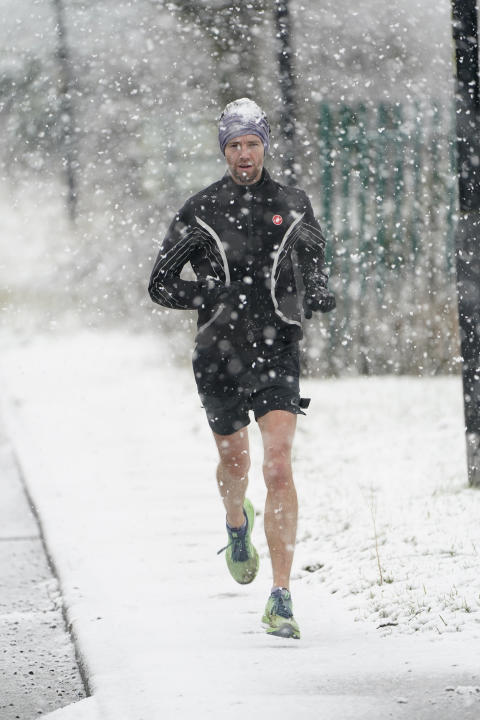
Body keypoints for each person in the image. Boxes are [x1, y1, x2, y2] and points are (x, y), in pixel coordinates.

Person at [148, 98, 335, 639]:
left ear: (265, 146)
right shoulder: (201, 210)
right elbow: (160, 284)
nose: (244, 154)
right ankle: (236, 522)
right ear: (223, 151)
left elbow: (318, 259)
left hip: (276, 349)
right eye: (234, 145)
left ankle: (282, 596)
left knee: (277, 467)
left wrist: (315, 294)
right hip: (218, 355)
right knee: (236, 464)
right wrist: (210, 291)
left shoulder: (293, 205)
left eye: (252, 144)